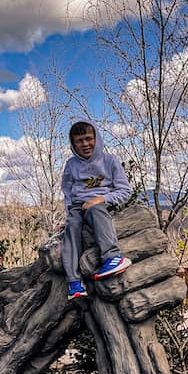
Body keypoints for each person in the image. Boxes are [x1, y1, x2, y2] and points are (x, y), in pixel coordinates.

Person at [61, 120, 132, 300]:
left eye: (88, 139)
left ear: (96, 138)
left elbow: (125, 191)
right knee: (72, 225)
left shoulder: (109, 161)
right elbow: (67, 192)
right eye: (79, 141)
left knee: (95, 211)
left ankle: (113, 257)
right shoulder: (71, 165)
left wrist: (101, 199)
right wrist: (69, 213)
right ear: (73, 144)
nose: (85, 144)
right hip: (78, 206)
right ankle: (74, 282)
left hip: (102, 204)